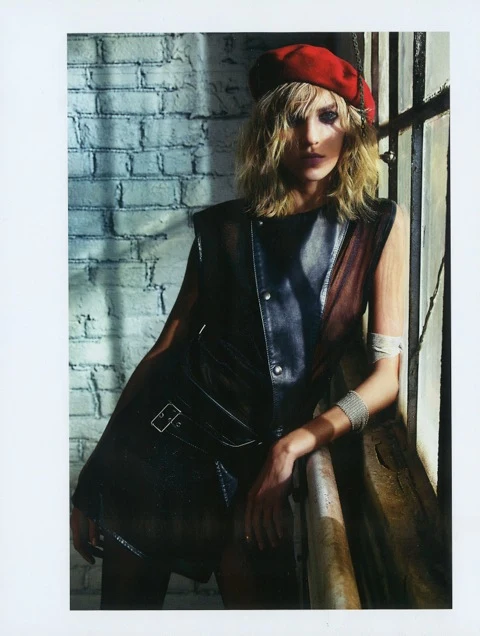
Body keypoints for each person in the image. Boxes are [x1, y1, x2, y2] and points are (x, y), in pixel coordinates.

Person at [70, 43, 405, 610]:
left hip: (256, 464)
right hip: (159, 448)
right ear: (269, 132)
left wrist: (293, 446)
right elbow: (163, 354)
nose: (310, 137)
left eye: (327, 116)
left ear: (350, 127)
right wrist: (93, 481)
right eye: (291, 119)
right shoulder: (224, 228)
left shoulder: (377, 227)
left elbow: (386, 378)